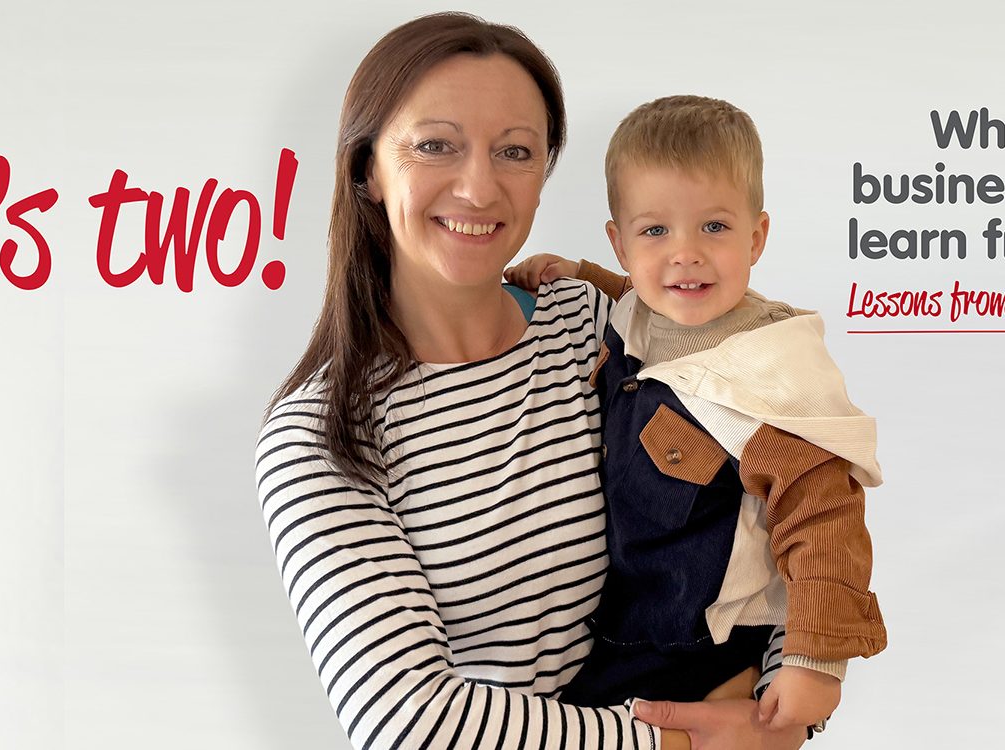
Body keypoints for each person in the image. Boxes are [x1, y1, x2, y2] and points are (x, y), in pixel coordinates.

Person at [255, 13, 804, 750]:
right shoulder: (321, 435)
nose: (479, 187)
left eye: (515, 151)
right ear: (367, 170)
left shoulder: (598, 325)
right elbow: (406, 723)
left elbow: (786, 497)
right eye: (434, 145)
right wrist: (691, 744)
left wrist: (783, 707)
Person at [505, 96, 888, 734]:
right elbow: (637, 296)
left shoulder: (767, 368)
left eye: (714, 227)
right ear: (620, 242)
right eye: (655, 231)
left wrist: (816, 657)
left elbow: (823, 513)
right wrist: (576, 274)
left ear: (757, 236)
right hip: (623, 622)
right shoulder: (640, 313)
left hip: (704, 645)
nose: (685, 255)